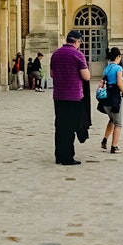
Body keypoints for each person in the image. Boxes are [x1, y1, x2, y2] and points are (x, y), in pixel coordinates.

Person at [50, 30, 91, 165]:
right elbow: (86, 76)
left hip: (58, 96)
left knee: (60, 126)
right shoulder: (78, 55)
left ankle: (59, 155)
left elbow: (52, 74)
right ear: (77, 41)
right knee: (70, 127)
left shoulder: (55, 54)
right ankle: (68, 157)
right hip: (73, 97)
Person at [99, 47, 123, 154]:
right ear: (118, 57)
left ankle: (105, 139)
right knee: (118, 123)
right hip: (114, 97)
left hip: (105, 97)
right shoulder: (118, 68)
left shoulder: (106, 68)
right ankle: (114, 146)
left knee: (112, 119)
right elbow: (120, 83)